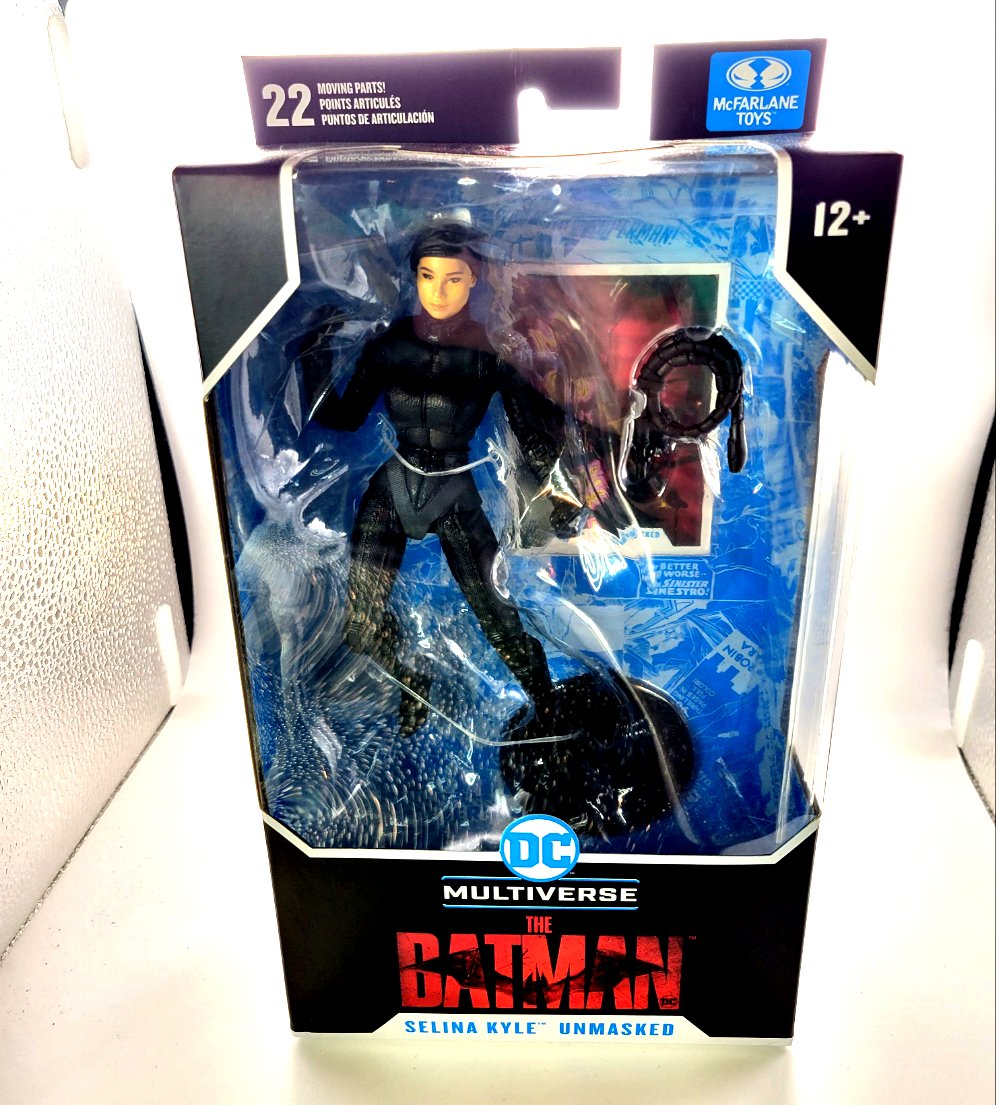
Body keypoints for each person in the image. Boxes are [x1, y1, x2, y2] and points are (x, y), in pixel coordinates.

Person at [310, 222, 571, 735]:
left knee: (498, 618)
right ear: (414, 278)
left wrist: (561, 489)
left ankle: (550, 709)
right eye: (428, 276)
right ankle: (412, 679)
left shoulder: (492, 355)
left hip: (454, 491)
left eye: (453, 278)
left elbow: (532, 437)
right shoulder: (389, 347)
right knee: (360, 626)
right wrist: (315, 351)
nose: (438, 291)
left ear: (474, 280)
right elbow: (343, 416)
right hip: (394, 486)